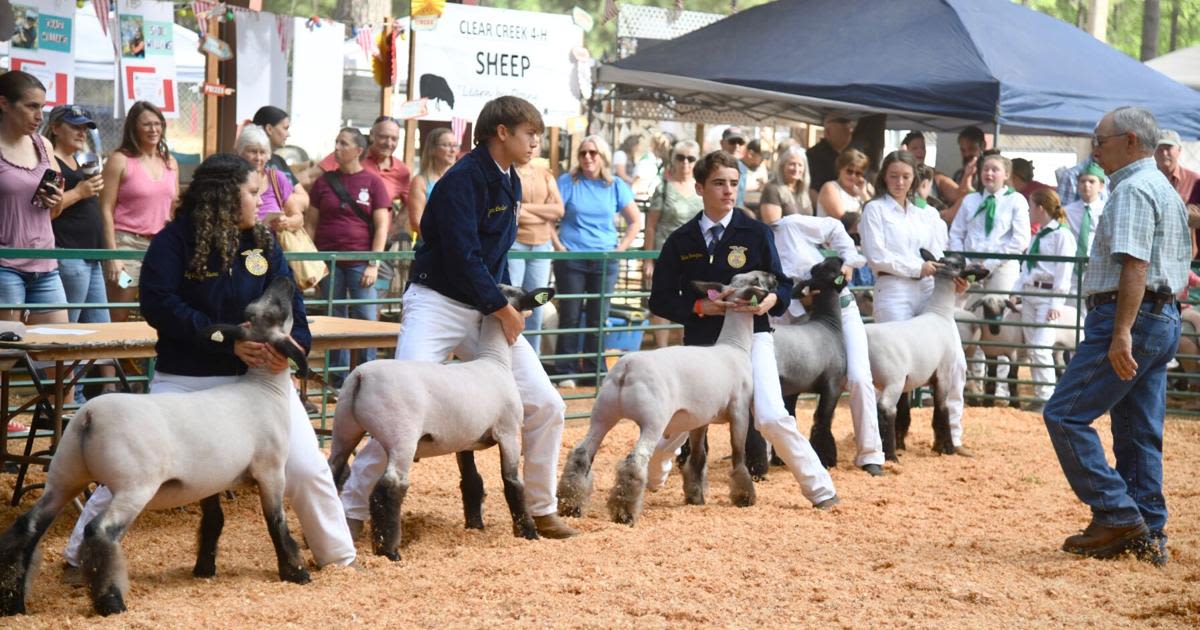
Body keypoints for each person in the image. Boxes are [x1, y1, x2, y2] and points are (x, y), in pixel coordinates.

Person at [61, 153, 357, 573]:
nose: (261, 202)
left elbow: (294, 306)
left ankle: (340, 559)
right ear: (222, 197)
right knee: (135, 470)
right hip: (187, 380)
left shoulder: (264, 243)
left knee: (309, 468)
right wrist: (226, 340)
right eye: (252, 193)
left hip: (260, 387)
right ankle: (76, 559)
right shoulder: (174, 241)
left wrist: (289, 351)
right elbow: (159, 305)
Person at [337, 96, 578, 540]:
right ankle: (350, 514)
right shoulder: (462, 180)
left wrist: (506, 305)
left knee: (547, 404)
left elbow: (496, 256)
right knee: (399, 407)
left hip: (485, 307)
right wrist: (503, 307)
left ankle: (540, 507)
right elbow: (462, 255)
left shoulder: (511, 181)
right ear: (501, 132)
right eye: (530, 134)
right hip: (438, 301)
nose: (536, 144)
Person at [646, 150, 839, 508]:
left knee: (770, 412)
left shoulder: (756, 232)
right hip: (703, 341)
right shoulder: (680, 240)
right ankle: (652, 474)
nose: (728, 191)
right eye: (719, 183)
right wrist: (699, 306)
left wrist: (771, 302)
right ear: (700, 187)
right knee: (681, 416)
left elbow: (782, 283)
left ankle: (820, 489)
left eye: (734, 184)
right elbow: (658, 299)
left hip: (755, 336)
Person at [1043, 106, 1189, 567]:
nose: (1095, 149)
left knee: (1065, 415)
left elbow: (1135, 265)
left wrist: (1121, 331)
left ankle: (1118, 515)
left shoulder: (1131, 189)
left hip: (1130, 317)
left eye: (1099, 140)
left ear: (1128, 141)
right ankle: (1149, 536)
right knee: (1139, 432)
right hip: (1164, 316)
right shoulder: (1162, 188)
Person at [861, 150, 971, 456]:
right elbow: (875, 255)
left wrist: (953, 280)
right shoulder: (875, 210)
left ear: (915, 179)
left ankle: (951, 435)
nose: (899, 182)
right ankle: (892, 436)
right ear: (884, 176)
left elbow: (940, 256)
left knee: (954, 362)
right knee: (896, 366)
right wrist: (915, 268)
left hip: (929, 290)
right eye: (893, 176)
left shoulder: (927, 215)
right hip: (894, 287)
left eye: (906, 177)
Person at [771, 212, 886, 476]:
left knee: (857, 377)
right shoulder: (754, 251)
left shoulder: (789, 226)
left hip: (840, 311)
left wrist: (846, 262)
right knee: (785, 384)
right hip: (797, 320)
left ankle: (870, 453)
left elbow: (834, 227)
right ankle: (779, 450)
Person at [552, 135, 642, 386]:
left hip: (605, 258)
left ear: (603, 157)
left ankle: (593, 369)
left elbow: (636, 220)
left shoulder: (615, 186)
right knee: (569, 313)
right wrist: (558, 246)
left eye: (593, 153)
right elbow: (550, 215)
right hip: (572, 257)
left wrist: (620, 249)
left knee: (597, 315)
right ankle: (565, 369)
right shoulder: (568, 182)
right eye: (583, 153)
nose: (588, 157)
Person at [307, 128, 390, 383]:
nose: (337, 147)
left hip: (360, 262)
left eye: (343, 143)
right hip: (329, 262)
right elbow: (311, 224)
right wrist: (311, 261)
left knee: (366, 317)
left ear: (358, 150)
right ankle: (337, 378)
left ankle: (367, 377)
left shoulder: (374, 182)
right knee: (334, 319)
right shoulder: (323, 182)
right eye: (336, 142)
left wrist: (373, 263)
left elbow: (382, 225)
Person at [100, 100, 179, 322]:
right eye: (146, 124)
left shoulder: (170, 162)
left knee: (159, 308)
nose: (153, 129)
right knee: (120, 310)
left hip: (160, 247)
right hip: (126, 246)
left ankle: (147, 358)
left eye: (157, 124)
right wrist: (113, 256)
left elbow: (173, 208)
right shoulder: (120, 160)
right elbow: (105, 208)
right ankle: (116, 357)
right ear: (134, 127)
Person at [1016, 189, 1076, 411]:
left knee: (1041, 347)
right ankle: (1042, 395)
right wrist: (1016, 292)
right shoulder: (1039, 234)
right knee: (1033, 347)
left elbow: (1064, 271)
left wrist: (1056, 303)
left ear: (1040, 208)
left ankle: (1049, 399)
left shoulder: (1062, 235)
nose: (1029, 211)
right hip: (1031, 293)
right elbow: (1026, 269)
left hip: (1047, 295)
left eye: (1031, 207)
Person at [643, 139, 702, 348]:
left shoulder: (702, 189)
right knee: (663, 302)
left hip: (695, 257)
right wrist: (648, 260)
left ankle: (684, 351)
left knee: (690, 303)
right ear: (673, 160)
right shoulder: (664, 188)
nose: (685, 162)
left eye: (690, 158)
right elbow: (650, 225)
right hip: (663, 254)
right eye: (680, 157)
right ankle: (662, 350)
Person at [949, 153, 1031, 297]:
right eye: (985, 169)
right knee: (966, 313)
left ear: (1006, 174)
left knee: (994, 310)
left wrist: (989, 264)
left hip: (1002, 267)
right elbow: (956, 233)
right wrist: (965, 261)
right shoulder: (970, 200)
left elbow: (1021, 239)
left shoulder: (1016, 200)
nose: (989, 173)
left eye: (995, 170)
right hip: (971, 267)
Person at [509, 157, 564, 354]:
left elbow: (558, 210)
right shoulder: (507, 171)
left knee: (537, 304)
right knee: (513, 301)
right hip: (514, 243)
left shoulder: (545, 174)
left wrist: (524, 208)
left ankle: (532, 357)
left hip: (542, 245)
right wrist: (542, 215)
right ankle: (509, 354)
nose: (533, 143)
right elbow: (509, 210)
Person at [236, 125, 305, 234]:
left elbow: (298, 217)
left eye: (262, 152)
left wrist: (287, 222)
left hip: (273, 247)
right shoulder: (232, 180)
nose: (258, 158)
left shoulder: (277, 178)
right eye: (253, 152)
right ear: (240, 152)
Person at [408, 127, 458, 237]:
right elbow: (417, 223)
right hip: (432, 246)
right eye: (446, 145)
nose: (453, 150)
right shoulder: (420, 181)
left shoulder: (460, 180)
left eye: (455, 146)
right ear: (433, 149)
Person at [252, 106, 308, 194]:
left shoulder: (279, 161)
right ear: (269, 129)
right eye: (285, 128)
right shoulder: (252, 162)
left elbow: (304, 198)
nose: (288, 134)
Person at [758, 144, 814, 222]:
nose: (796, 169)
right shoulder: (772, 189)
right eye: (792, 164)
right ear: (782, 166)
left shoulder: (803, 191)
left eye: (800, 165)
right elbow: (773, 226)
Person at [1064, 162, 1107, 260]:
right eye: (1082, 181)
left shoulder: (1106, 211)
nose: (1086, 185)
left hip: (1096, 262)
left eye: (1091, 181)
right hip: (1072, 263)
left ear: (1101, 186)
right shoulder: (1067, 211)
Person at [816, 148, 872, 219]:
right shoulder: (830, 188)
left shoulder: (860, 192)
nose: (853, 176)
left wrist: (864, 195)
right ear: (840, 169)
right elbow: (844, 219)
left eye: (858, 173)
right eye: (849, 171)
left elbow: (875, 214)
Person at [807, 113, 856, 193]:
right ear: (828, 132)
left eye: (850, 129)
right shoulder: (814, 155)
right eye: (843, 129)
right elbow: (811, 189)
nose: (849, 132)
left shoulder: (849, 155)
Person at [1154, 129, 1198, 201]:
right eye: (1160, 148)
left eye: (1168, 148)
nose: (1164, 153)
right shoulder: (1144, 178)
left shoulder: (1194, 181)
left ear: (1179, 150)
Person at [720, 126, 750, 207]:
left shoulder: (743, 167)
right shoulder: (711, 165)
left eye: (740, 142)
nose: (737, 146)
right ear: (722, 143)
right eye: (732, 141)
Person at [740, 139, 771, 210]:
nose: (762, 161)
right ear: (750, 154)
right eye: (761, 158)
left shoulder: (762, 167)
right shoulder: (737, 167)